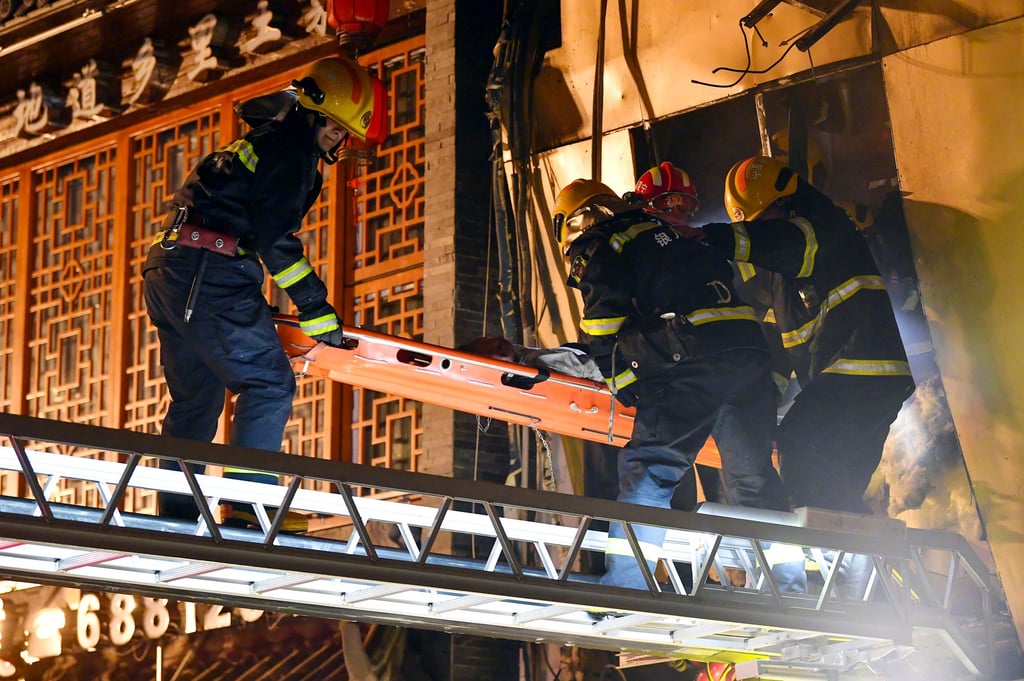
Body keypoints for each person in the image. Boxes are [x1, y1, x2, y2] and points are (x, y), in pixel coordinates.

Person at [143, 56, 387, 529]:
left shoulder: (260, 140)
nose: (337, 141)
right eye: (334, 129)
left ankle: (175, 512)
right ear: (311, 112)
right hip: (207, 273)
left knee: (197, 400)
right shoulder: (291, 150)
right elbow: (276, 239)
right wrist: (316, 309)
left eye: (344, 134)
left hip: (174, 269)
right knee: (268, 383)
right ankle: (246, 507)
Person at [690, 155, 916, 596]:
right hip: (850, 384)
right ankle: (875, 593)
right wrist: (757, 410)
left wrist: (708, 239)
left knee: (800, 445)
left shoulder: (826, 229)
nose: (765, 228)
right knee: (834, 489)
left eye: (767, 217)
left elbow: (788, 242)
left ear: (789, 202)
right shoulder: (779, 282)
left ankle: (856, 584)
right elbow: (776, 355)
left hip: (861, 368)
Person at [552, 176, 790, 591]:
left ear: (574, 221)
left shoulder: (603, 241)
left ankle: (626, 587)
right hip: (747, 356)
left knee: (650, 474)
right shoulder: (668, 234)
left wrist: (621, 379)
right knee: (753, 482)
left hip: (691, 360)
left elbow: (603, 322)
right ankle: (788, 588)